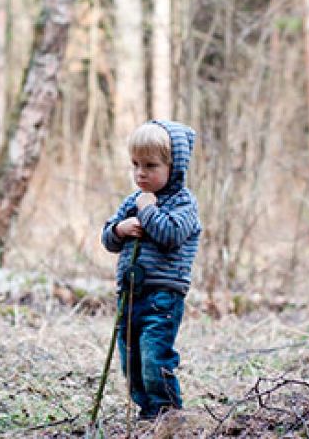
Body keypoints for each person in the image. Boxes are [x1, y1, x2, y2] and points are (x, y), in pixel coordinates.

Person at [101, 120, 202, 420]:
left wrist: (147, 210)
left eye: (150, 165)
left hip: (162, 296)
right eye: (135, 164)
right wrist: (119, 229)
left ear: (174, 167)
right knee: (130, 359)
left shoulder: (183, 203)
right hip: (130, 294)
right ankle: (147, 412)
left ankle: (167, 412)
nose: (140, 173)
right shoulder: (132, 201)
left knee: (154, 357)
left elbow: (170, 234)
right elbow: (108, 240)